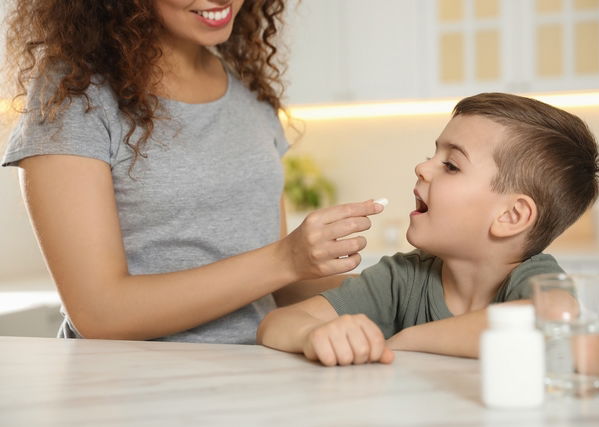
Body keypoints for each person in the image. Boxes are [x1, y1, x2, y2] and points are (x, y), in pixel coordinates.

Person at [1, 0, 384, 343]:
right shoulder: (76, 95)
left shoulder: (249, 92)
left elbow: (280, 286)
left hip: (257, 382)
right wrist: (285, 259)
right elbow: (99, 313)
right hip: (128, 396)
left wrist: (409, 290)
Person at [257, 92, 599, 366]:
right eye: (432, 154)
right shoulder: (401, 278)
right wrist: (312, 335)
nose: (422, 167)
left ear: (512, 216)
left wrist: (408, 340)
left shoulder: (533, 277)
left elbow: (554, 316)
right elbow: (275, 325)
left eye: (451, 165)